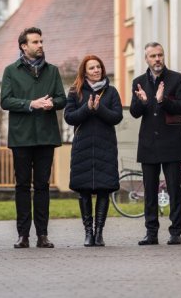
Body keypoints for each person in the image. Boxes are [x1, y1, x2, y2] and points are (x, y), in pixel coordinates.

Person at [0, 27, 67, 249]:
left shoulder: (53, 71)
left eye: (41, 41)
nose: (40, 45)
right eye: (35, 42)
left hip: (46, 136)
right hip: (21, 137)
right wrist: (31, 104)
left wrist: (52, 103)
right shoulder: (11, 70)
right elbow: (6, 101)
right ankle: (23, 235)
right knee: (21, 186)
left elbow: (61, 98)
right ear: (24, 46)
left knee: (42, 186)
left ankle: (42, 235)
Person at [130, 42, 181, 246]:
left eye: (160, 55)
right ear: (146, 59)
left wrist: (162, 100)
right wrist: (143, 101)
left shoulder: (177, 79)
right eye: (153, 56)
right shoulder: (138, 82)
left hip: (172, 142)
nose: (157, 59)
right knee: (150, 190)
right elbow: (134, 113)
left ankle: (175, 231)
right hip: (148, 142)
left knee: (174, 188)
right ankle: (151, 232)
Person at [64, 55, 123, 247]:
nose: (96, 70)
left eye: (99, 67)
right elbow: (69, 117)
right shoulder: (75, 91)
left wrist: (99, 109)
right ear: (85, 71)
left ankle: (99, 233)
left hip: (105, 146)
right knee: (84, 190)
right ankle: (88, 232)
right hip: (83, 147)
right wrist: (87, 108)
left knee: (104, 190)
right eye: (92, 68)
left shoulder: (111, 92)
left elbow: (116, 117)